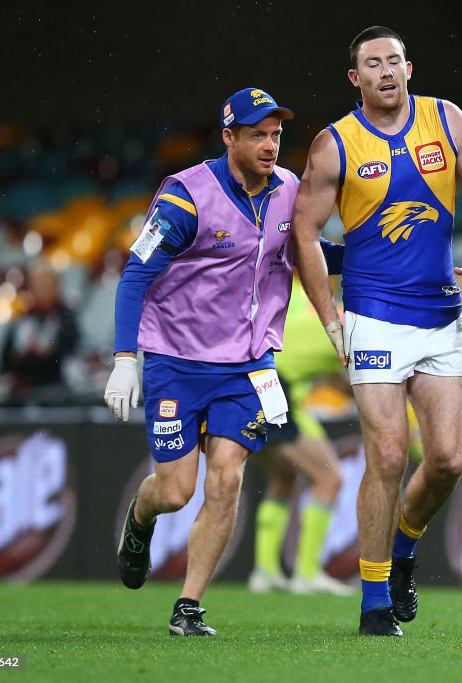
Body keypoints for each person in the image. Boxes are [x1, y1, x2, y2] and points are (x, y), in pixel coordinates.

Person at [292, 26, 462, 636]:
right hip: (373, 313)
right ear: (354, 78)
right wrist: (329, 316)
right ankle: (373, 601)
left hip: (442, 315)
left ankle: (404, 551)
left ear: (409, 69)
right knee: (387, 454)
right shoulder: (335, 144)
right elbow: (303, 233)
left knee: (447, 460)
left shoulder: (445, 120)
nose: (385, 71)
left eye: (394, 61)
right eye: (372, 64)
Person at [104, 87, 343, 637]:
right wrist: (124, 358)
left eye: (277, 134)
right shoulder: (186, 198)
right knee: (175, 490)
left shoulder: (289, 190)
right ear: (229, 137)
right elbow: (137, 273)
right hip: (177, 361)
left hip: (248, 365)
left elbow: (313, 252)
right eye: (257, 134)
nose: (270, 144)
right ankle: (140, 522)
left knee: (228, 479)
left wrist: (388, 258)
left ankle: (189, 606)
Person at [248, 275, 355, 596]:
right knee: (329, 479)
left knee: (282, 477)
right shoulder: (349, 327)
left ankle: (265, 571)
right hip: (275, 388)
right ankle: (307, 573)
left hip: (257, 380)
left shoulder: (298, 302)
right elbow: (359, 382)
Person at [0, 260, 80, 401]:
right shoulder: (23, 318)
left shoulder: (65, 318)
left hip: (56, 391)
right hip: (22, 392)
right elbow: (5, 359)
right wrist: (39, 356)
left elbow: (60, 356)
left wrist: (25, 358)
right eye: (38, 284)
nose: (43, 289)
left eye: (47, 284)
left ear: (57, 287)